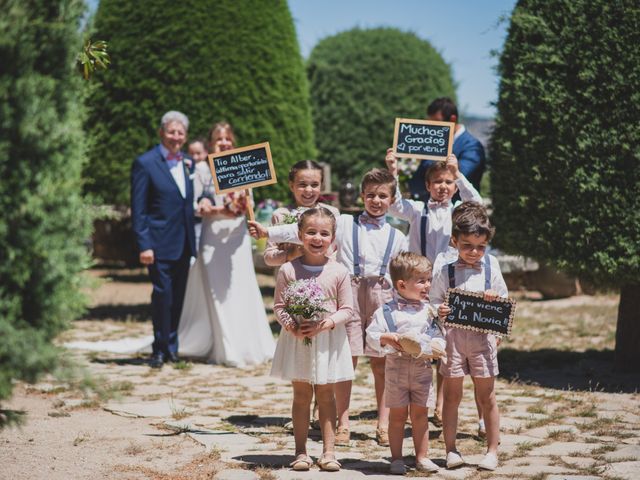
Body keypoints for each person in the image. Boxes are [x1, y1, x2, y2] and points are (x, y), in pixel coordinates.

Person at [249, 168, 408, 447]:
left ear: (392, 200)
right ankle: (342, 423)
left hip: (383, 296)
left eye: (382, 196)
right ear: (361, 196)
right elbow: (299, 227)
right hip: (351, 291)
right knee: (346, 360)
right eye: (370, 195)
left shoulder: (398, 235)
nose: (375, 200)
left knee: (383, 363)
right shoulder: (343, 221)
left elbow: (404, 268)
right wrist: (268, 231)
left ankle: (383, 423)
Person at [386, 150, 484, 433]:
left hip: (453, 285)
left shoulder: (460, 212)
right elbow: (395, 205)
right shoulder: (418, 210)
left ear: (454, 186)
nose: (443, 186)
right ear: (428, 186)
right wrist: (393, 170)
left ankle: (441, 404)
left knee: (449, 346)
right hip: (420, 287)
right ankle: (417, 401)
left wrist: (459, 173)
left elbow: (476, 203)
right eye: (438, 181)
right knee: (420, 342)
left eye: (448, 181)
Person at [176, 122, 275, 367]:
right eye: (219, 139)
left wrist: (242, 206)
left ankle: (247, 343)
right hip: (213, 235)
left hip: (237, 237)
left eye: (228, 139)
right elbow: (193, 204)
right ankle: (225, 347)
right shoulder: (202, 168)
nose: (224, 143)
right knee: (217, 291)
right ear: (211, 143)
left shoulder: (242, 164)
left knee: (241, 287)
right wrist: (211, 208)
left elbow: (248, 201)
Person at [270, 207, 354, 472]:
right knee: (301, 395)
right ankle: (300, 452)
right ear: (299, 235)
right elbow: (279, 306)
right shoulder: (288, 270)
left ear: (333, 237)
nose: (317, 238)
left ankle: (329, 452)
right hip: (298, 339)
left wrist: (325, 324)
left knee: (327, 396)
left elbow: (347, 309)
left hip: (327, 339)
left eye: (324, 233)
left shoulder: (339, 271)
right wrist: (292, 327)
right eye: (311, 232)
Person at [430, 202, 507, 471]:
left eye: (480, 247)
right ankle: (450, 449)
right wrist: (439, 310)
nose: (473, 252)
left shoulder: (490, 270)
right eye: (467, 246)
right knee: (452, 396)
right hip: (452, 340)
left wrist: (494, 300)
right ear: (455, 242)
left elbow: (504, 304)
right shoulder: (445, 271)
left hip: (481, 341)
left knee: (487, 396)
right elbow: (434, 301)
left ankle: (492, 451)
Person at [366, 252, 446, 475]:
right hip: (396, 368)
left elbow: (439, 337)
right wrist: (385, 338)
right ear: (401, 284)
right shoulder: (385, 311)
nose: (427, 285)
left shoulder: (429, 311)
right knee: (398, 416)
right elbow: (371, 335)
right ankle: (397, 458)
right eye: (421, 281)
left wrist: (431, 348)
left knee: (421, 415)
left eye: (428, 280)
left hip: (422, 369)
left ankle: (422, 456)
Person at [131, 111, 197, 368]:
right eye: (171, 132)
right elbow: (139, 209)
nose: (176, 137)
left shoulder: (188, 162)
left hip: (184, 244)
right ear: (161, 132)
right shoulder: (145, 163)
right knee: (163, 295)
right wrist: (144, 244)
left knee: (178, 297)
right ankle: (159, 348)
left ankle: (172, 347)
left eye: (180, 133)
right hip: (158, 244)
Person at [408, 97, 486, 202]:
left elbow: (457, 177)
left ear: (452, 119)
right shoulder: (432, 145)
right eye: (430, 123)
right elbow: (414, 185)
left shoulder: (472, 147)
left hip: (458, 213)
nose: (432, 128)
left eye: (437, 122)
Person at [264, 160, 339, 267]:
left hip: (325, 278)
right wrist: (290, 254)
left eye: (314, 185)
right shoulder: (280, 215)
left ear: (321, 186)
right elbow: (268, 258)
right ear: (291, 185)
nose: (308, 190)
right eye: (302, 184)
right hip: (291, 279)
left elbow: (340, 250)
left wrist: (324, 258)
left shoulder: (332, 213)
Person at [187, 138, 209, 248]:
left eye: (198, 153)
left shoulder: (205, 168)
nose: (195, 157)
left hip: (202, 216)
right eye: (191, 153)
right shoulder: (188, 168)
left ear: (206, 152)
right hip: (192, 216)